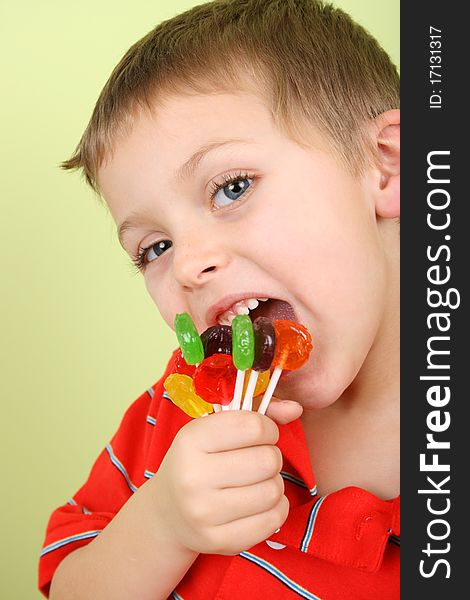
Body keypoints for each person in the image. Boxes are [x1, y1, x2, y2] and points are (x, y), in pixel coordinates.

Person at [39, 0, 400, 598]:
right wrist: (162, 525)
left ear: (386, 166)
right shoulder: (182, 404)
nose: (185, 264)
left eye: (231, 189)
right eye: (153, 247)